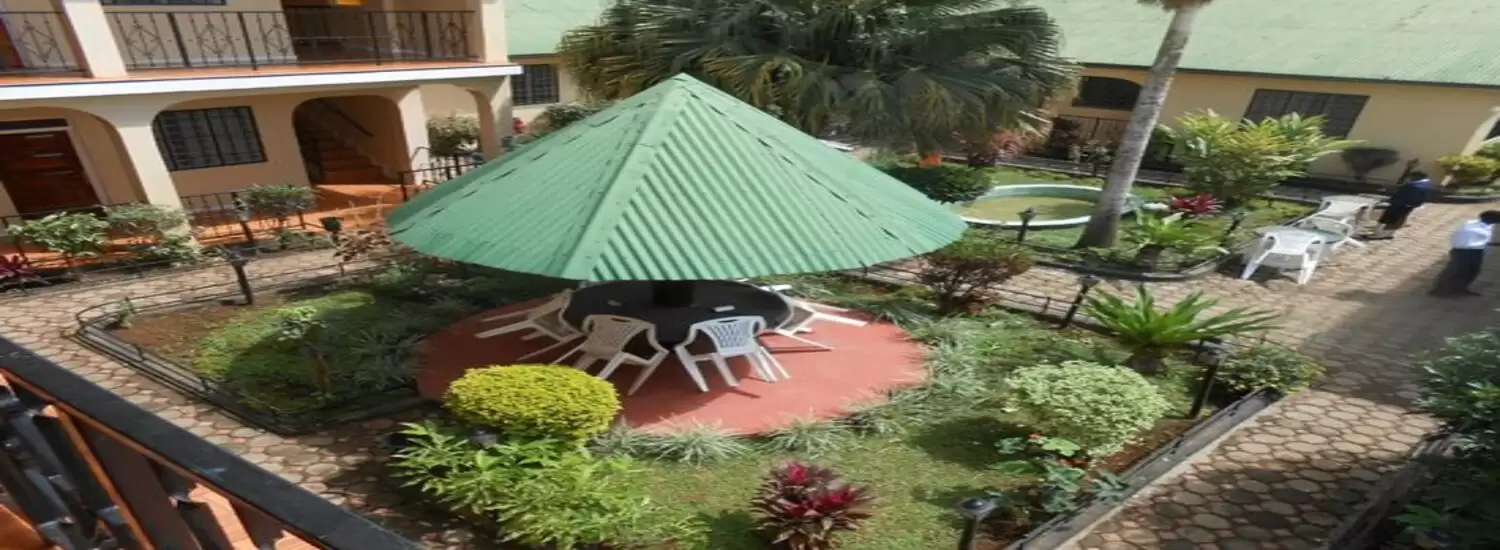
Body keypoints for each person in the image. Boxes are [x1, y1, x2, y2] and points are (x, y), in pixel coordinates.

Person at [1430, 210, 1500, 297]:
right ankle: (1439, 289)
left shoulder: (1482, 224)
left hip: (1475, 250)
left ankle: (1459, 287)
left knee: (1472, 271)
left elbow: (1481, 240)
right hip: (1464, 251)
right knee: (1456, 270)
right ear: (1491, 220)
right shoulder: (1473, 230)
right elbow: (1466, 242)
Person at [1370, 171, 1437, 240]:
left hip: (1400, 204)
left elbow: (1406, 196)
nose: (1410, 179)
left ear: (1417, 177)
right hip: (1409, 205)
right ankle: (1389, 234)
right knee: (1398, 219)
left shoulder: (1413, 185)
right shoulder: (1427, 184)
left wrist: (1390, 200)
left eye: (1411, 177)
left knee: (1389, 219)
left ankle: (1380, 235)